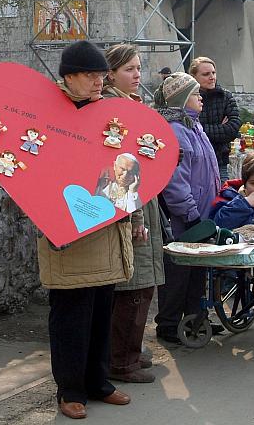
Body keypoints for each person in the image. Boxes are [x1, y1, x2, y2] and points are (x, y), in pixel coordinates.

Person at [37, 40, 133, 419]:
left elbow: (127, 167)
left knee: (102, 307)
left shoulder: (109, 115)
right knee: (71, 313)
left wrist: (131, 216)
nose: (98, 82)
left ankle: (99, 381)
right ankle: (70, 388)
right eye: (91, 76)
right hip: (66, 227)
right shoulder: (49, 114)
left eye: (101, 75)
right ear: (69, 77)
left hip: (106, 224)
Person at [102, 44, 164, 384]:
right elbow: (120, 168)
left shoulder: (131, 105)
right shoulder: (114, 110)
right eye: (129, 69)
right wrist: (135, 217)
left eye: (139, 68)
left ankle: (131, 351)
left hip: (142, 199)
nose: (137, 75)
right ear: (111, 73)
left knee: (143, 286)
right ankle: (120, 361)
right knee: (133, 287)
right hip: (130, 205)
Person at [153, 72, 220, 344]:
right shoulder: (176, 131)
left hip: (201, 214)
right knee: (178, 272)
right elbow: (175, 181)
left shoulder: (194, 127)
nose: (201, 97)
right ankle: (168, 324)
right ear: (181, 99)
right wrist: (190, 215)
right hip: (185, 219)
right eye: (195, 94)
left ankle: (195, 320)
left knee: (197, 271)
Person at [189, 56, 241, 182]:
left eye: (213, 72)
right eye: (206, 74)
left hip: (219, 161)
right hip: (195, 162)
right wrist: (220, 127)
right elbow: (189, 130)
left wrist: (201, 130)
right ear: (194, 76)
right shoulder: (189, 99)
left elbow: (233, 129)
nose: (211, 77)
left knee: (221, 198)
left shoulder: (226, 96)